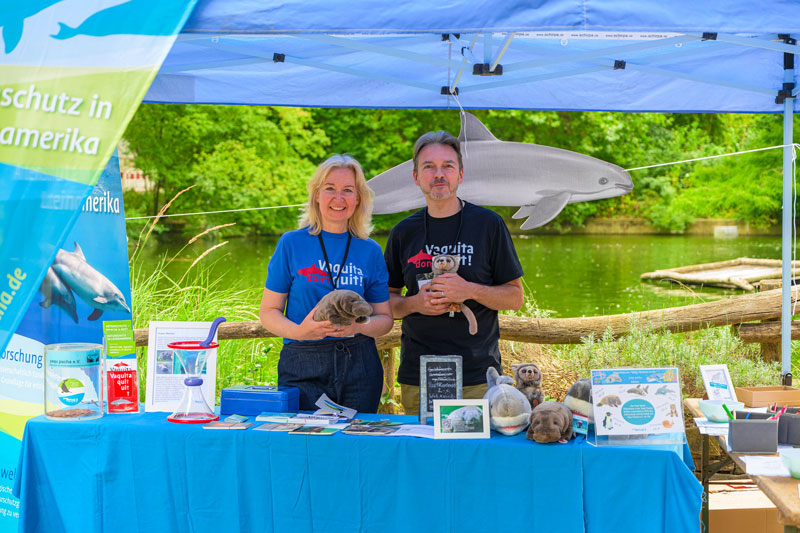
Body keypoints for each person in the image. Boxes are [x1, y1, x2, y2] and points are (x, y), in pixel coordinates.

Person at [384, 130, 524, 416]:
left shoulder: (489, 225)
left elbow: (515, 298)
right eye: (428, 167)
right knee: (424, 457)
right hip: (420, 376)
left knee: (476, 459)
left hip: (479, 377)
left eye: (447, 166)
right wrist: (414, 304)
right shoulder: (403, 232)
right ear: (416, 177)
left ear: (460, 174)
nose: (439, 174)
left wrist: (470, 290)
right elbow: (386, 302)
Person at [259, 154, 393, 413]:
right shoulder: (291, 243)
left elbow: (385, 319)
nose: (338, 198)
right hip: (302, 363)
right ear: (317, 195)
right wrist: (300, 332)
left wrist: (359, 325)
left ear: (358, 199)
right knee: (305, 448)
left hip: (360, 367)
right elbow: (268, 312)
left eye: (348, 190)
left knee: (355, 447)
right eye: (330, 189)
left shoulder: (370, 250)